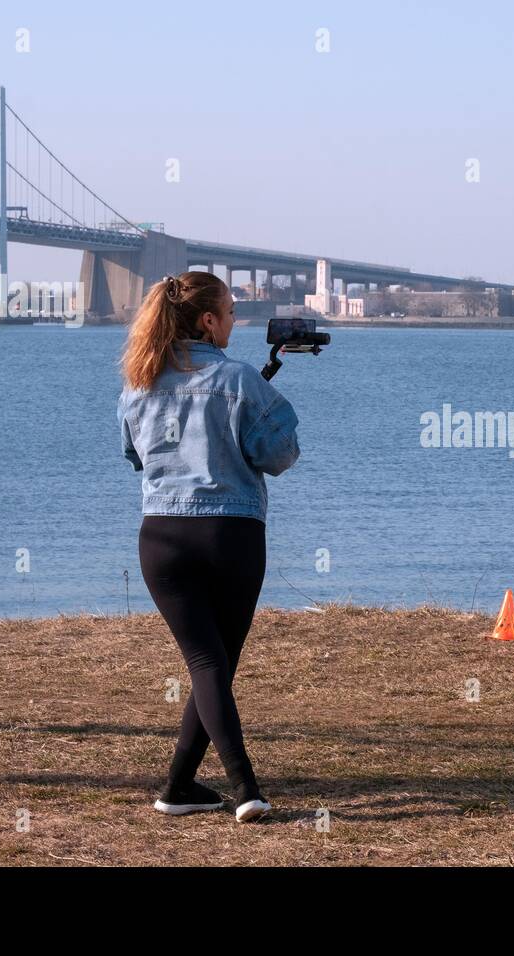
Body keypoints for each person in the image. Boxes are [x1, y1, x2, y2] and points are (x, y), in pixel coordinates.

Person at [118, 271, 299, 821]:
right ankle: (246, 788)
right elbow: (279, 455)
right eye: (230, 310)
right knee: (214, 661)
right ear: (207, 321)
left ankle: (178, 788)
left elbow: (136, 459)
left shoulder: (139, 382)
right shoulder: (242, 380)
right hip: (230, 536)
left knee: (207, 663)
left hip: (161, 538)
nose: (235, 319)